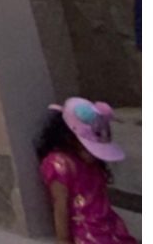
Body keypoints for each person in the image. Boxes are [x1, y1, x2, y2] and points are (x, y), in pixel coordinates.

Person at [37, 98, 134, 243]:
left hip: (109, 227)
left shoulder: (93, 163)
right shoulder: (60, 164)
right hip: (88, 235)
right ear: (69, 138)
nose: (93, 154)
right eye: (87, 148)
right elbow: (60, 207)